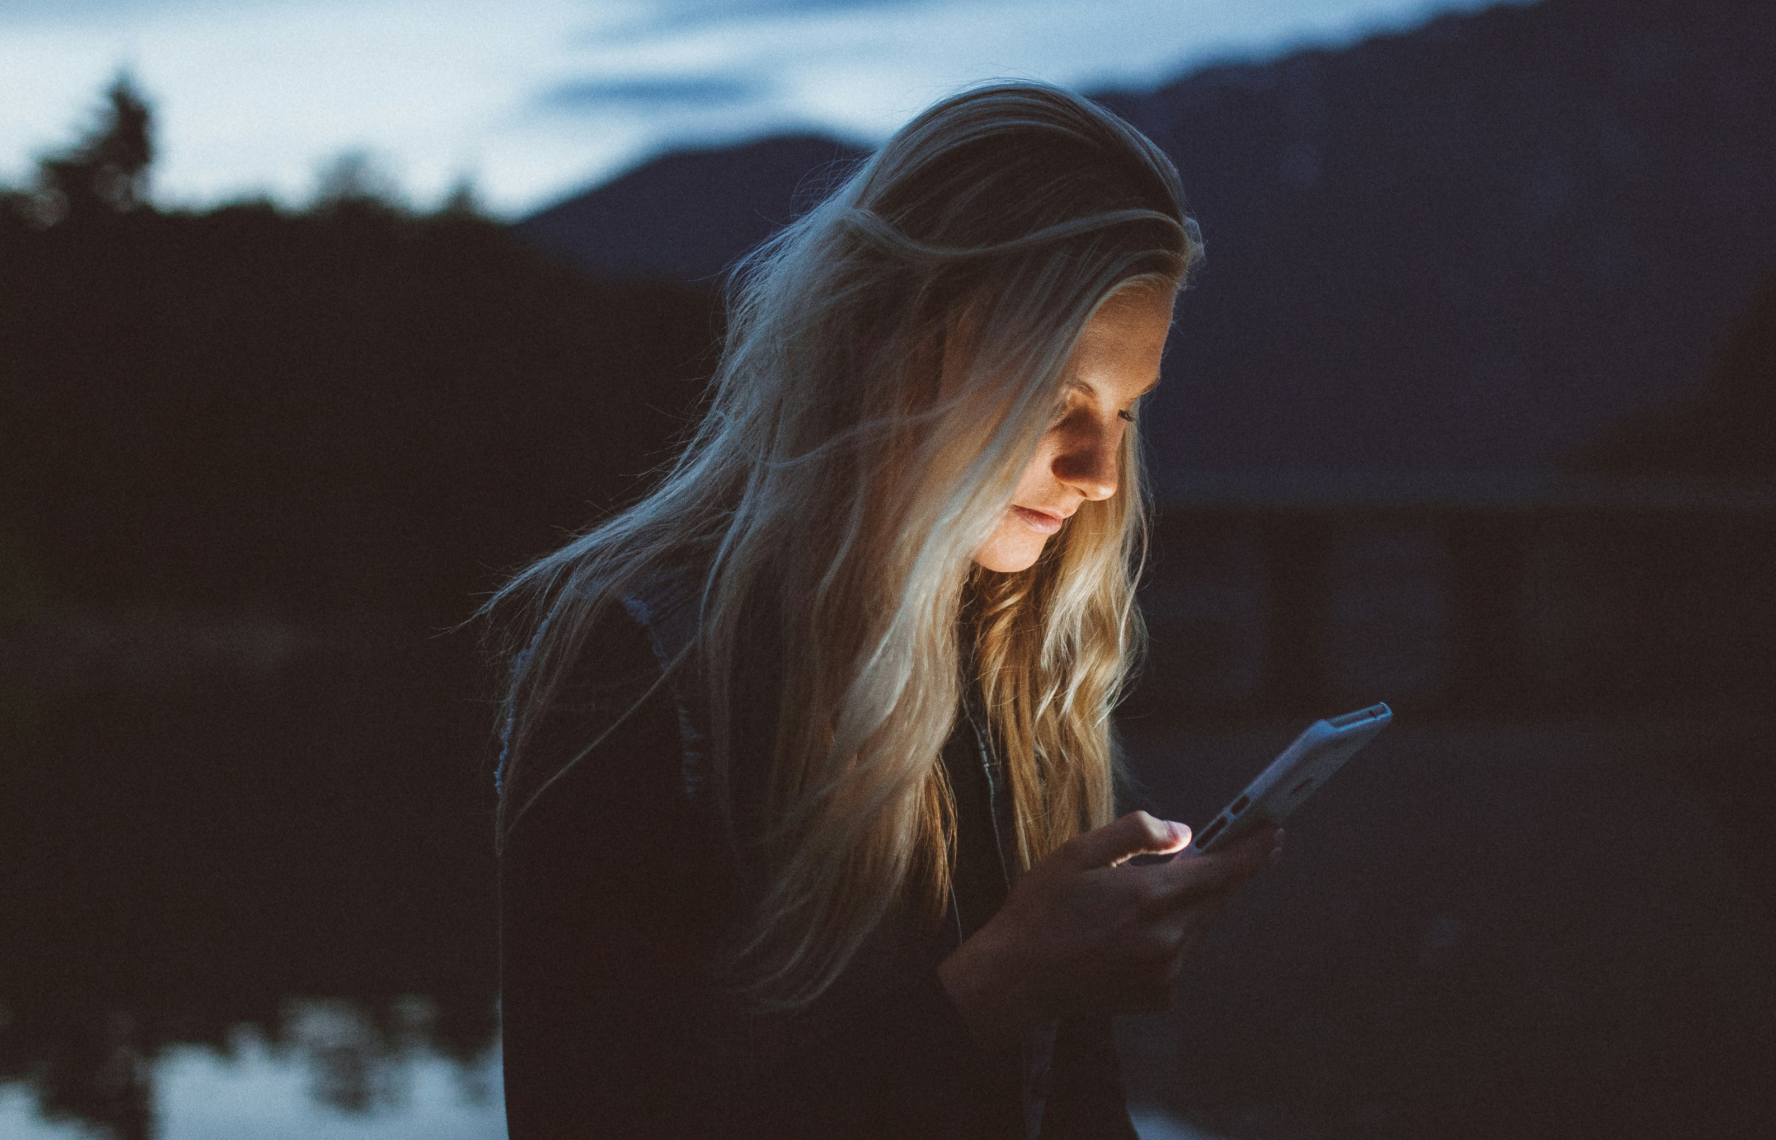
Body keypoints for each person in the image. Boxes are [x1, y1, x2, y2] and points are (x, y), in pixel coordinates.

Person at [483, 81, 1282, 1139]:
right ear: (895, 344)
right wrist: (1004, 986)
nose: (1098, 472)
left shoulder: (1004, 655)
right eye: (1057, 401)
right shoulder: (640, 666)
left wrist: (1055, 981)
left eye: (1124, 412)